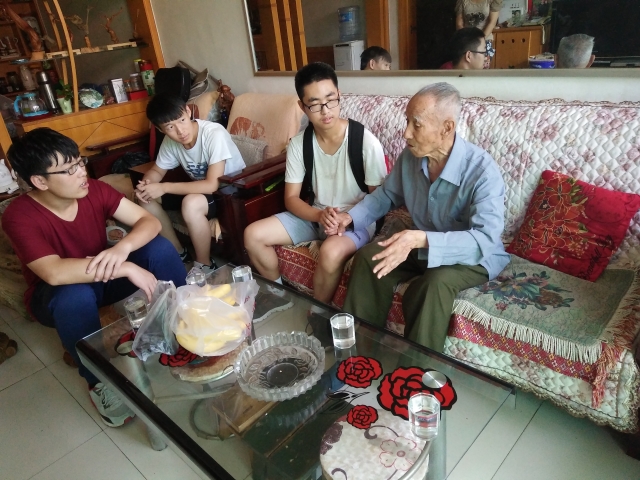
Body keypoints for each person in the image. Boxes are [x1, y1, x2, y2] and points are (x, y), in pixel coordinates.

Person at [2, 128, 187, 427]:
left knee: (159, 249)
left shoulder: (95, 190)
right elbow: (54, 272)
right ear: (39, 181)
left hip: (102, 276)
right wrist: (126, 267)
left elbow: (148, 221)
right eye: (69, 169)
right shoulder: (19, 215)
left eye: (80, 162)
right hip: (56, 295)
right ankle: (97, 380)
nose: (81, 172)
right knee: (74, 295)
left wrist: (123, 248)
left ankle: (185, 324)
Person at [331, 83, 510, 352]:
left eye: (416, 124)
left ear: (446, 128)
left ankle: (417, 373)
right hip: (421, 245)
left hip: (473, 257)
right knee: (369, 257)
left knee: (433, 284)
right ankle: (360, 357)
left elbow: (484, 239)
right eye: (407, 122)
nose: (406, 133)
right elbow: (386, 195)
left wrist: (420, 239)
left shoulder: (482, 171)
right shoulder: (411, 157)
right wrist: (350, 217)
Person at [244, 62, 386, 318]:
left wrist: (347, 218)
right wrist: (319, 216)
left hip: (355, 219)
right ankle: (278, 295)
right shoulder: (299, 144)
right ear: (302, 106)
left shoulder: (364, 141)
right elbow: (291, 198)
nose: (325, 111)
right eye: (315, 104)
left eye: (330, 100)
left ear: (339, 95)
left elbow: (379, 200)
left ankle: (317, 314)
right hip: (314, 215)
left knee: (330, 251)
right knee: (253, 235)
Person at [136, 94, 246, 273]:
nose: (180, 131)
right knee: (145, 198)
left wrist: (163, 187)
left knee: (191, 203)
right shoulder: (170, 142)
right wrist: (147, 184)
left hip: (229, 193)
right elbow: (157, 171)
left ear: (188, 111)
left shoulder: (213, 134)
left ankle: (204, 264)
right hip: (200, 191)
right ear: (160, 129)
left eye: (182, 120)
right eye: (170, 127)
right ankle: (179, 252)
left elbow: (212, 185)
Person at [455, 0, 502, 67]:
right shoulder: (462, 1)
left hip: (485, 39)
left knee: (482, 68)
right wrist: (467, 40)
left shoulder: (493, 1)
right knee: (465, 66)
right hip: (467, 40)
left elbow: (492, 22)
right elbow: (459, 24)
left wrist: (481, 39)